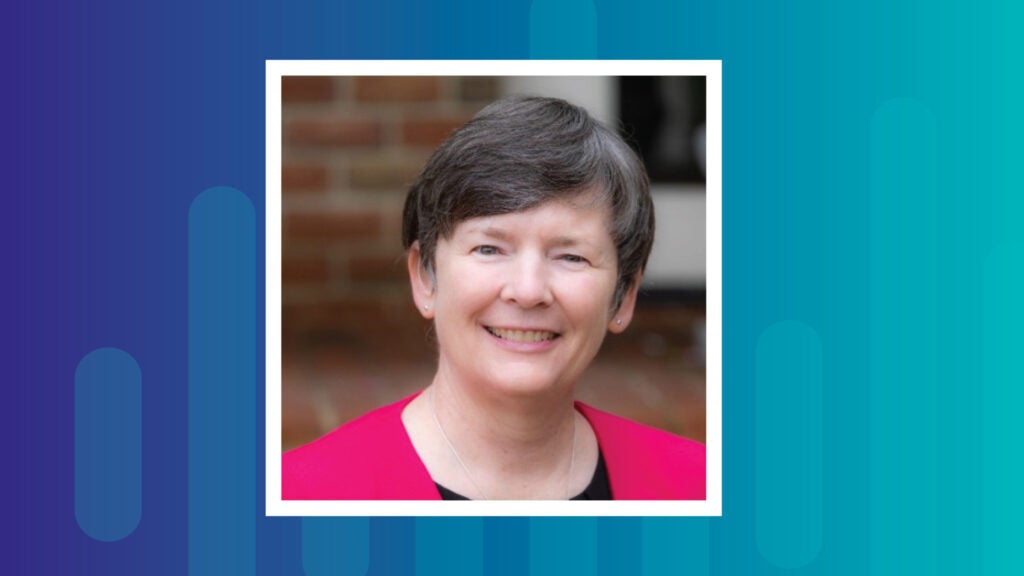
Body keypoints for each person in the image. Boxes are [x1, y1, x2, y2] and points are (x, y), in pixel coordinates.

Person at [283, 95, 705, 500]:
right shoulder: (300, 495)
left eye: (571, 256)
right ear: (425, 277)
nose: (527, 291)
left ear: (624, 295)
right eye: (489, 249)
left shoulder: (700, 488)